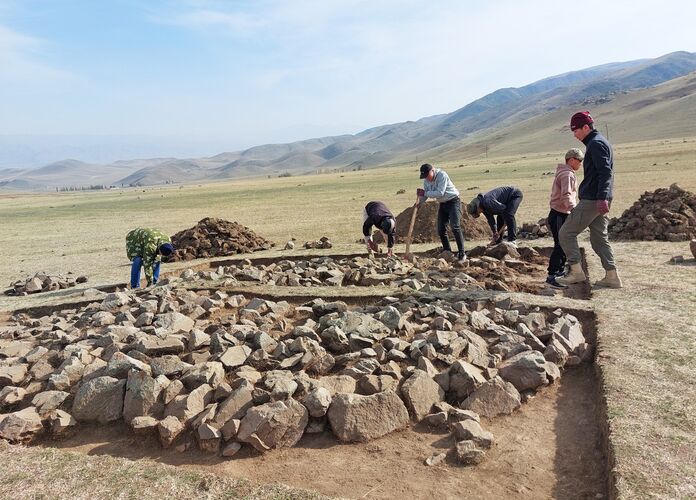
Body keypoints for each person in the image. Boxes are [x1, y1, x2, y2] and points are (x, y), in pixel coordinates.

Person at [557, 111, 622, 288]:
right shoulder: (599, 141)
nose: (574, 134)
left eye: (576, 130)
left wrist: (602, 197)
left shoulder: (596, 143)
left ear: (586, 127)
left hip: (593, 199)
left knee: (566, 233)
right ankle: (612, 276)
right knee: (599, 238)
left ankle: (576, 272)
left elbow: (605, 172)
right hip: (599, 198)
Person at [546, 148, 583, 288]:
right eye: (579, 160)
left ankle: (560, 272)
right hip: (560, 214)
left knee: (563, 243)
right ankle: (552, 276)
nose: (580, 163)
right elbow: (566, 195)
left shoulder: (566, 172)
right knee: (561, 244)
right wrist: (574, 210)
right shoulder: (567, 174)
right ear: (572, 160)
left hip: (560, 213)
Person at [416, 163, 466, 261]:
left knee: (455, 226)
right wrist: (419, 203)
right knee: (441, 229)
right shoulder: (426, 180)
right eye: (424, 176)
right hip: (443, 204)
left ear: (432, 170)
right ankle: (447, 252)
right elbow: (426, 194)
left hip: (453, 201)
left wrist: (425, 193)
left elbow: (440, 192)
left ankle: (462, 253)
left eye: (427, 175)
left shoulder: (442, 175)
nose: (427, 178)